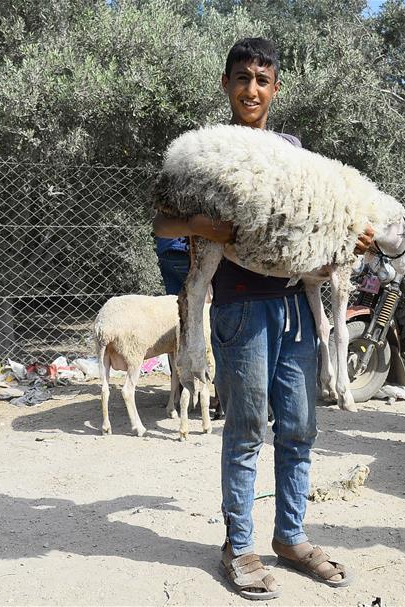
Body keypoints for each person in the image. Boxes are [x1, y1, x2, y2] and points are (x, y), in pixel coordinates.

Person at [153, 37, 369, 599]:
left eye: (263, 80)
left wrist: (353, 235)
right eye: (243, 78)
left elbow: (315, 221)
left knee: (299, 429)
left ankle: (291, 537)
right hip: (240, 309)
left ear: (275, 88)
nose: (253, 89)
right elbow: (163, 224)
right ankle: (238, 545)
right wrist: (207, 227)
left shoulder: (294, 153)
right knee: (247, 431)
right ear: (226, 84)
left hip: (296, 305)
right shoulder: (207, 153)